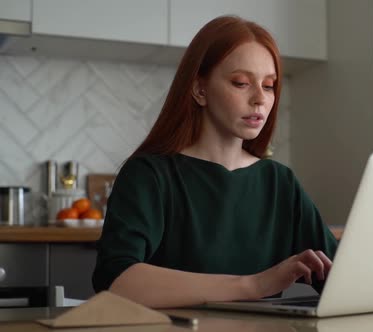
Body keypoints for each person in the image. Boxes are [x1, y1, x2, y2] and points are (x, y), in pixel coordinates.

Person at [92, 15, 338, 308]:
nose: (260, 98)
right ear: (199, 90)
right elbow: (116, 282)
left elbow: (340, 277)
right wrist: (254, 284)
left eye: (269, 86)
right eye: (241, 83)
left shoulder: (279, 182)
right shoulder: (149, 175)